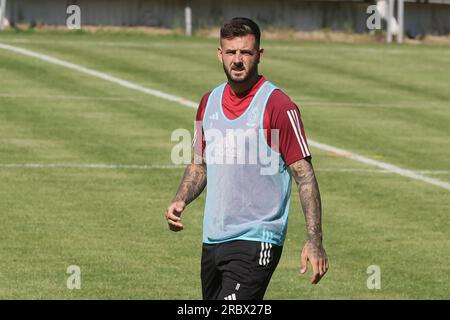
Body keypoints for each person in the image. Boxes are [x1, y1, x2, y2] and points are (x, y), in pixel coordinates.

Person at [165, 17, 328, 300]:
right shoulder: (209, 102)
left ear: (259, 55)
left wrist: (314, 242)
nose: (237, 60)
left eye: (245, 52)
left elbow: (305, 176)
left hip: (257, 237)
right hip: (213, 238)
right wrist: (181, 198)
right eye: (231, 52)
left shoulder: (277, 106)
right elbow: (199, 164)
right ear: (220, 54)